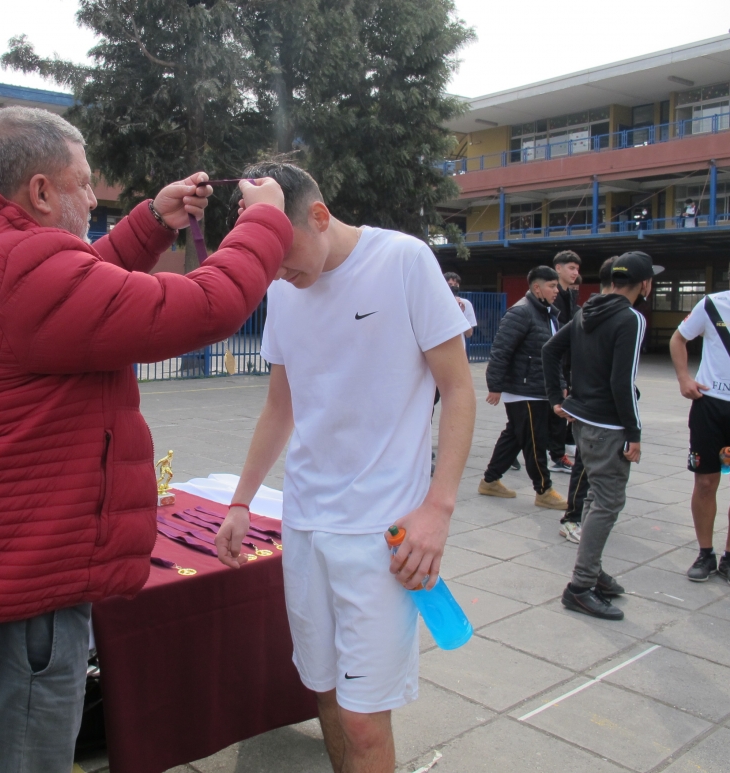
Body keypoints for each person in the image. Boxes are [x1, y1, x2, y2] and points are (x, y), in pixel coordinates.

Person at [0, 105, 292, 773]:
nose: (94, 196)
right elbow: (203, 307)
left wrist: (152, 222)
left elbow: (80, 287)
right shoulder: (22, 268)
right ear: (41, 191)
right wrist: (264, 224)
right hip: (19, 598)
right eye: (83, 181)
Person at [216, 162, 476, 773]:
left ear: (319, 215)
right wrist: (241, 500)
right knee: (326, 693)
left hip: (381, 532)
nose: (276, 272)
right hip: (306, 522)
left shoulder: (403, 261)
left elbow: (459, 390)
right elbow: (281, 406)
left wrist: (438, 509)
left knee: (364, 719)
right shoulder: (283, 288)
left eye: (282, 254)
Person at [544, 250, 661, 620]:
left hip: (583, 422)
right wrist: (634, 432)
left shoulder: (587, 311)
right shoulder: (631, 318)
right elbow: (622, 381)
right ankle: (580, 587)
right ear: (645, 284)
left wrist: (557, 398)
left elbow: (550, 350)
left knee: (597, 496)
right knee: (607, 503)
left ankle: (592, 571)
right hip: (609, 426)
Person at [670, 251, 730, 590]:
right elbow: (679, 338)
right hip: (710, 407)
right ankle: (704, 554)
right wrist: (684, 378)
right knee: (705, 482)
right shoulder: (711, 304)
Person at [477, 266, 567, 510]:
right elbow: (501, 350)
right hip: (523, 390)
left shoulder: (548, 314)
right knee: (535, 440)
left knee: (515, 436)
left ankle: (490, 481)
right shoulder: (521, 312)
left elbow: (553, 356)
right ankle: (544, 490)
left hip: (538, 388)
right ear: (537, 288)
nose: (556, 291)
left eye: (556, 286)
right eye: (552, 286)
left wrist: (560, 384)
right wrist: (495, 385)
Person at [559, 256, 616, 543]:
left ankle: (584, 514)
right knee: (585, 463)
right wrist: (560, 390)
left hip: (594, 401)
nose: (575, 274)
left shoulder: (586, 308)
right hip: (592, 403)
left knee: (595, 466)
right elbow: (552, 349)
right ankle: (572, 518)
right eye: (571, 268)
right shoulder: (595, 313)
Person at [548, 251, 580, 475]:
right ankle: (558, 455)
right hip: (554, 359)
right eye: (571, 268)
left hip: (567, 360)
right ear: (558, 268)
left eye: (577, 269)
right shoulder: (553, 296)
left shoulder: (569, 296)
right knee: (558, 407)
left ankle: (559, 450)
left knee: (558, 409)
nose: (575, 272)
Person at [443, 272, 475, 338]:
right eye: (450, 284)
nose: (453, 286)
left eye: (456, 285)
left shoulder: (465, 304)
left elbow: (469, 334)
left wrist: (460, 314)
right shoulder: (437, 303)